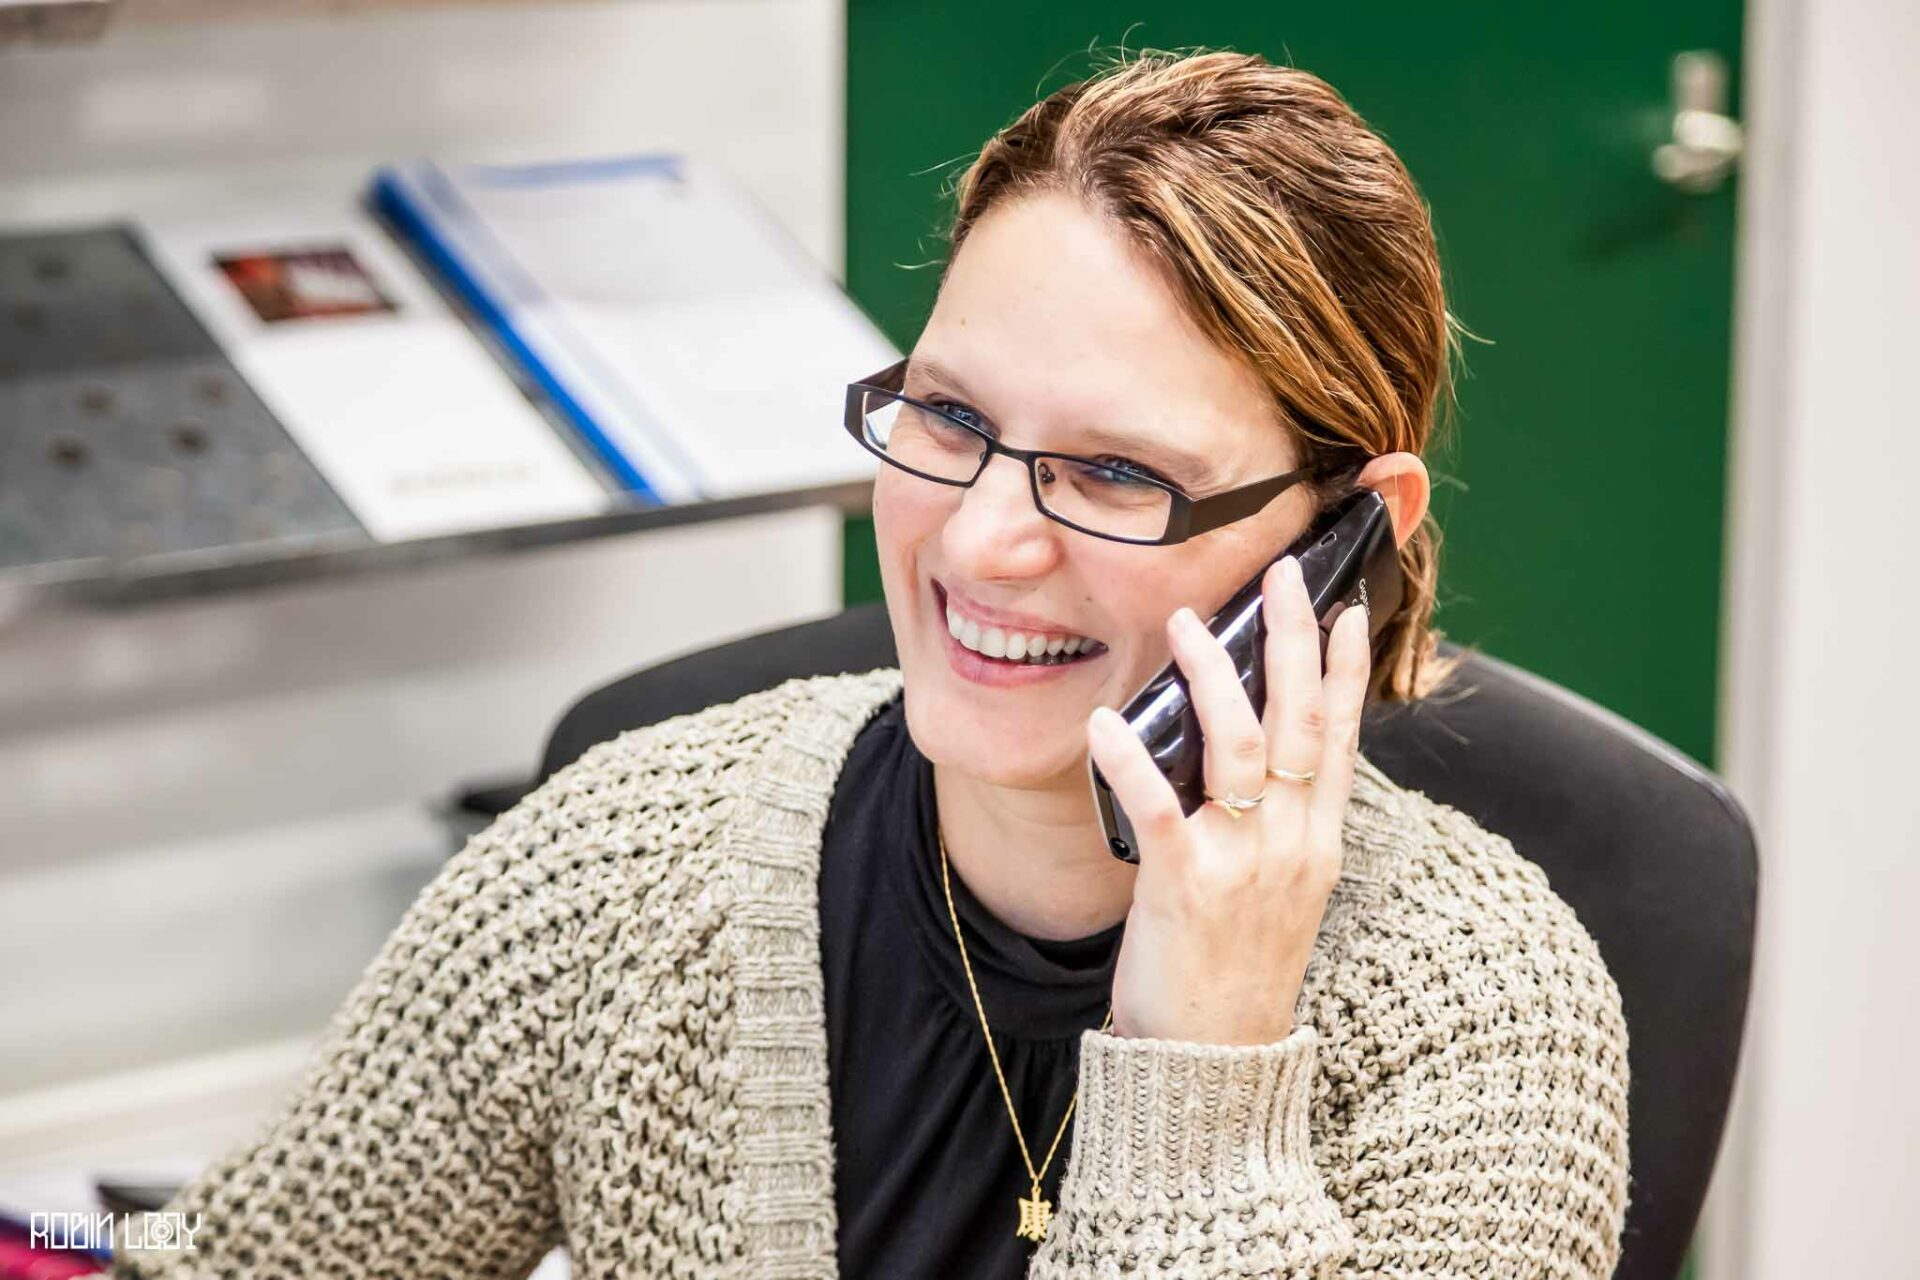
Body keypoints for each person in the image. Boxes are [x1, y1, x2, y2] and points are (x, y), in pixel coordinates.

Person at [115, 47, 1629, 1280]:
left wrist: (1201, 1072)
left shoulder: (1481, 1019)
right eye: (951, 418)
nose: (977, 547)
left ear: (1345, 532)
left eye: (1113, 475)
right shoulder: (627, 863)